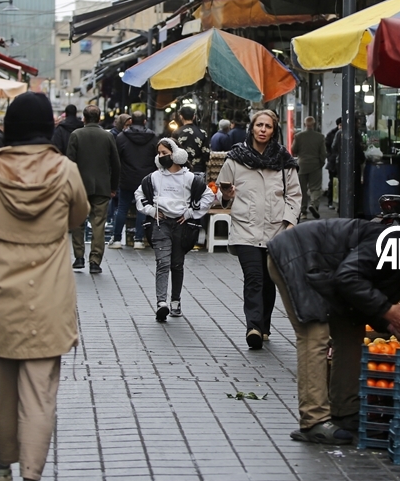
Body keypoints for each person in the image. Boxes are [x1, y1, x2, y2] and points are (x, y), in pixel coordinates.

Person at [0, 91, 88, 481]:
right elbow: (77, 216)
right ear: (48, 128)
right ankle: (32, 477)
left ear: (9, 129)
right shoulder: (65, 171)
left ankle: (3, 468)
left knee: (1, 389)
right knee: (41, 392)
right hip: (49, 297)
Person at [266, 219, 400, 444]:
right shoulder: (394, 244)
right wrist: (387, 310)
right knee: (314, 335)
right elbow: (348, 277)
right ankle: (313, 421)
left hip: (326, 275)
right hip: (298, 256)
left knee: (351, 333)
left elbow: (365, 302)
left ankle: (345, 411)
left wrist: (389, 323)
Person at [218, 110, 301, 350]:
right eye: (259, 125)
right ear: (251, 128)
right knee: (253, 278)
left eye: (268, 126)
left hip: (277, 230)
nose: (263, 130)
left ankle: (264, 326)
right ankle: (253, 327)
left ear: (274, 131)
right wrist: (226, 195)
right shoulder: (235, 158)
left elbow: (294, 195)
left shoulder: (284, 160)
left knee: (268, 280)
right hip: (246, 228)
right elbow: (221, 192)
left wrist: (289, 223)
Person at [135, 138, 217, 321]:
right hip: (160, 225)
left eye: (165, 152)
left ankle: (175, 301)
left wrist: (189, 213)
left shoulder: (189, 178)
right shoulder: (154, 177)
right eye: (159, 153)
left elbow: (208, 196)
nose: (161, 156)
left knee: (177, 264)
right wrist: (151, 210)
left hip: (182, 225)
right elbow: (139, 194)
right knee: (162, 263)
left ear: (176, 154)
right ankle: (161, 303)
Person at [67, 105, 121, 273]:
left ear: (83, 118)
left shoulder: (75, 135)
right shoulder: (107, 137)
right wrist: (113, 187)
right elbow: (116, 164)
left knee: (77, 223)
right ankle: (95, 261)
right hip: (102, 187)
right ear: (99, 118)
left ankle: (79, 257)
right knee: (98, 224)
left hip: (79, 187)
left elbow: (69, 164)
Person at [111, 111, 158, 249]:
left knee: (122, 208)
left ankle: (117, 239)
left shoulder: (121, 137)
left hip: (126, 178)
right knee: (142, 209)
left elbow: (116, 159)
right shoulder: (153, 138)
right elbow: (156, 158)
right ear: (144, 121)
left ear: (131, 122)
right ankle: (138, 240)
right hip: (145, 179)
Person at [292, 116, 327, 219]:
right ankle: (313, 204)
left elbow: (294, 149)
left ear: (304, 124)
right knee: (315, 188)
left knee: (302, 189)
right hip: (315, 165)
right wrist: (321, 163)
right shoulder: (320, 137)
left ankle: (303, 212)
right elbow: (323, 153)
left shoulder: (298, 136)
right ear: (314, 124)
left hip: (302, 165)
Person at [324, 118, 341, 209]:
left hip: (333, 161)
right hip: (333, 162)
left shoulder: (332, 134)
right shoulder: (332, 134)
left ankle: (334, 201)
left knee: (334, 182)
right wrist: (330, 157)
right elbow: (329, 148)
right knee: (333, 182)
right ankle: (331, 201)